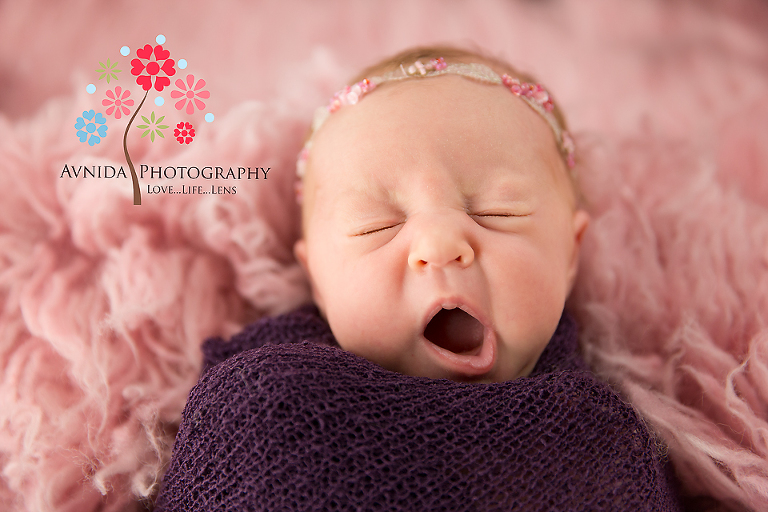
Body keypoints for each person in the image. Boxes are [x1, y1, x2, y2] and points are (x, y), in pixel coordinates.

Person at [155, 46, 681, 511]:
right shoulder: (265, 397)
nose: (439, 246)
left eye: (500, 212)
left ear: (570, 254)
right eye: (376, 225)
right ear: (317, 279)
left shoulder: (597, 435)